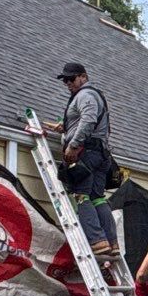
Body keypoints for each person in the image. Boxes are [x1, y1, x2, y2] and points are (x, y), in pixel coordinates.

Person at [48, 60, 117, 257]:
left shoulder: (85, 95)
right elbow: (85, 119)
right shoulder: (90, 96)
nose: (68, 83)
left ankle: (96, 240)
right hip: (100, 154)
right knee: (97, 197)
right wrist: (65, 126)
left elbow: (88, 119)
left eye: (71, 78)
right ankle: (112, 242)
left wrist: (73, 144)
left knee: (81, 195)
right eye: (65, 80)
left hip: (87, 153)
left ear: (83, 77)